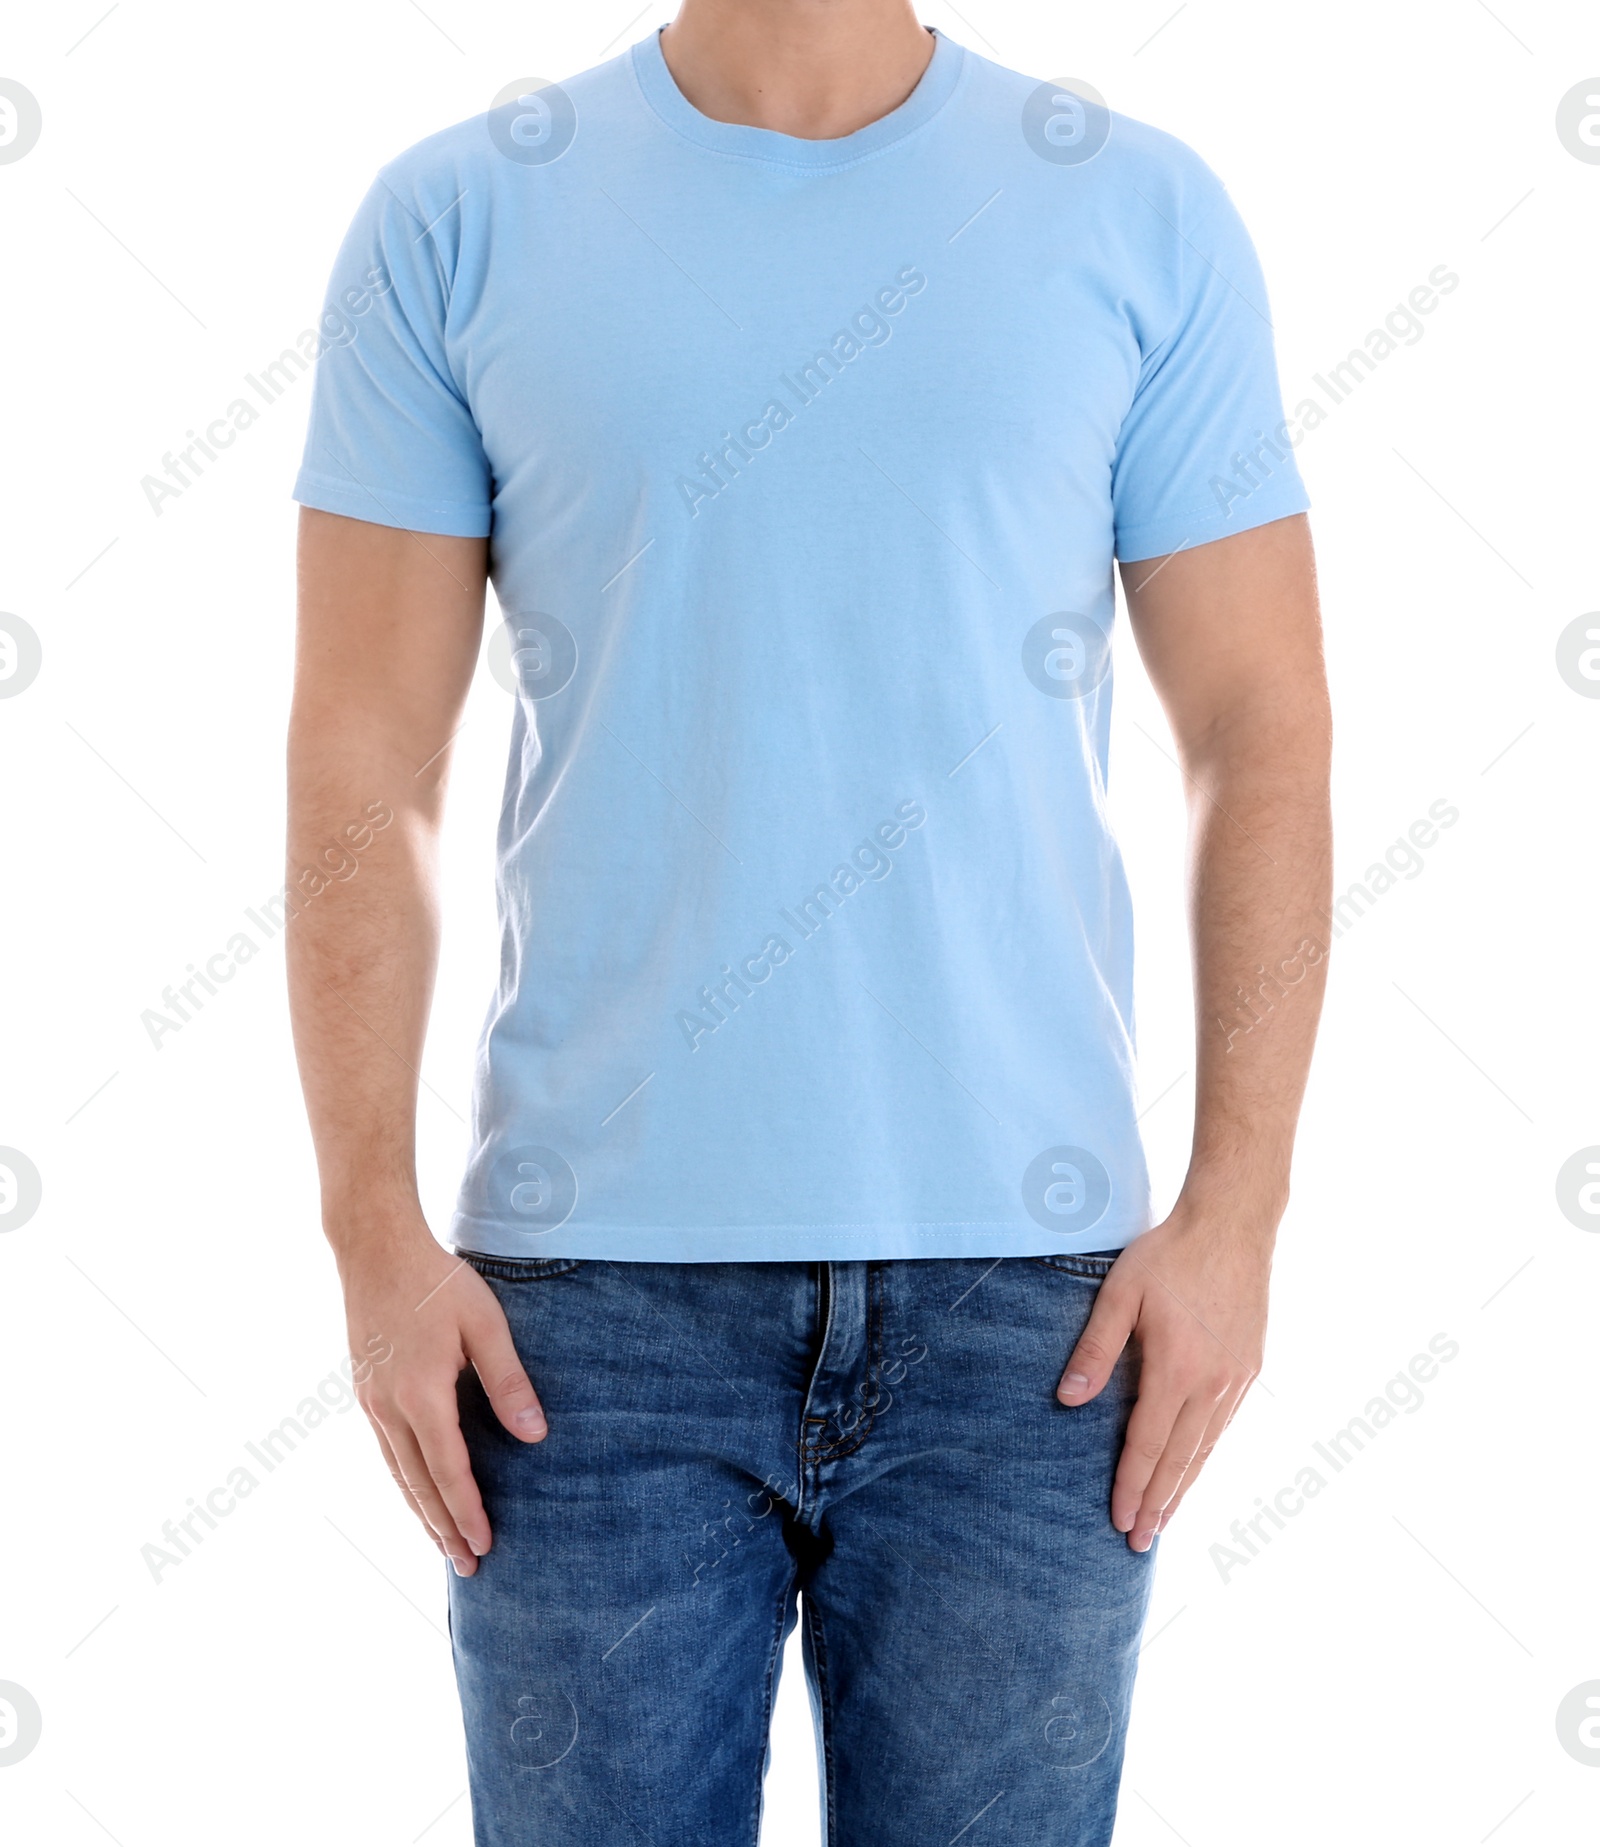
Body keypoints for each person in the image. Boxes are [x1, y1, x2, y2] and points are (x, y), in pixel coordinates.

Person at [286, 3, 1330, 1841]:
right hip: (579, 1331)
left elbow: (1260, 733)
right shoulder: (458, 219)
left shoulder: (1138, 215)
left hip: (1034, 1321)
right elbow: (366, 761)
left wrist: (1236, 1213)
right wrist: (371, 1234)